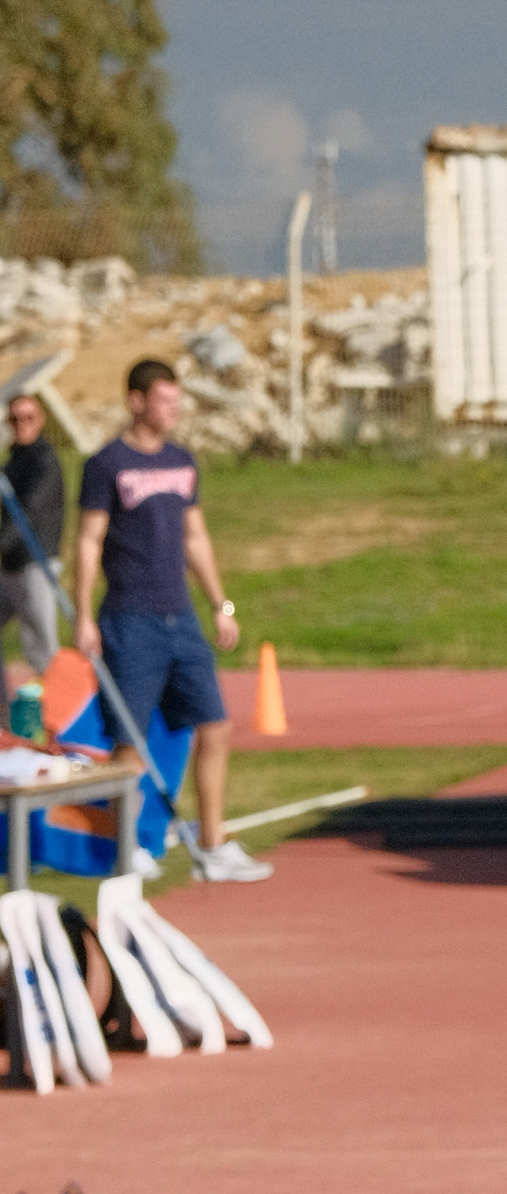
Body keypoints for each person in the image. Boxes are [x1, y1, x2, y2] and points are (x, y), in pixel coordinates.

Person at [71, 356, 271, 884]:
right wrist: (84, 615)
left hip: (180, 616)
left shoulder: (183, 461)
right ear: (136, 401)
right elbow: (89, 540)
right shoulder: (106, 464)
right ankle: (126, 846)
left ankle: (212, 844)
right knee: (129, 743)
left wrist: (220, 604)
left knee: (217, 726)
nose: (173, 409)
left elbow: (195, 537)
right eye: (164, 400)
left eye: (177, 400)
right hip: (129, 618)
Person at [0, 392, 65, 688]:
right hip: (10, 566)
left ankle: (59, 723)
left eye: (28, 417)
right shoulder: (13, 462)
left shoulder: (45, 461)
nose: (22, 424)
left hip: (37, 563)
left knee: (43, 646)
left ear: (40, 420)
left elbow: (27, 513)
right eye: (15, 418)